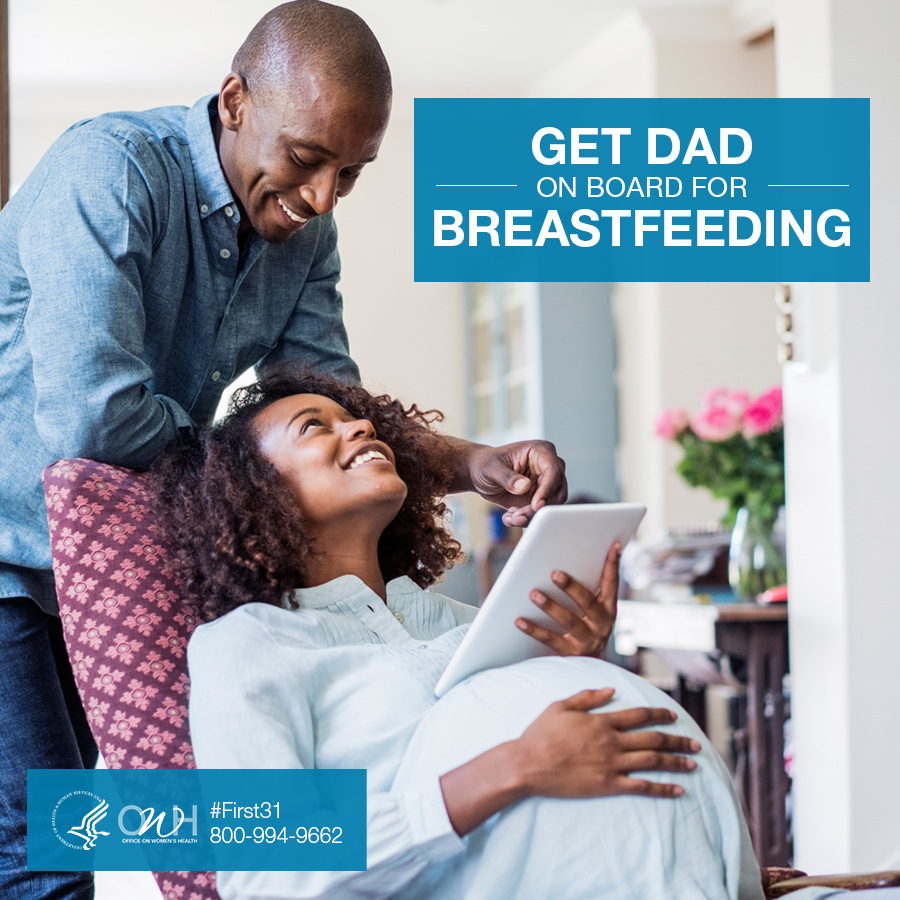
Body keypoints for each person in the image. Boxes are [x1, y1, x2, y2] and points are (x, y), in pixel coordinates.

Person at [0, 3, 566, 897]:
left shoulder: (305, 235)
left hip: (106, 566)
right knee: (44, 855)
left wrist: (470, 464)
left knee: (80, 827)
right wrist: (253, 461)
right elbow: (93, 420)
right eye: (306, 158)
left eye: (352, 174)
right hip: (7, 551)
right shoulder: (109, 172)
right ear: (234, 101)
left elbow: (336, 400)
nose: (321, 198)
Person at [151, 366, 763, 900]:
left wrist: (583, 661)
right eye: (315, 427)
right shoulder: (249, 643)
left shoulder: (473, 623)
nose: (360, 427)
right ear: (254, 491)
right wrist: (514, 766)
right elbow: (268, 872)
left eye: (357, 419)